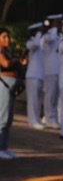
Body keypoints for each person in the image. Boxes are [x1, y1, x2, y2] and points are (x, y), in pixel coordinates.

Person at [0, 27, 27, 159]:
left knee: (8, 118)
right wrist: (17, 60)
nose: (7, 39)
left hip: (10, 86)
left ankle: (4, 147)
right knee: (2, 118)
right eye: (4, 37)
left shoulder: (7, 51)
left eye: (8, 37)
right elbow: (5, 64)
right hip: (4, 85)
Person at [25, 22, 46, 129]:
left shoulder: (40, 42)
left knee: (38, 100)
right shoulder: (30, 43)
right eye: (39, 30)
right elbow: (35, 45)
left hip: (40, 75)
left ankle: (36, 119)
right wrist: (39, 33)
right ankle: (32, 121)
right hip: (32, 75)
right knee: (32, 100)